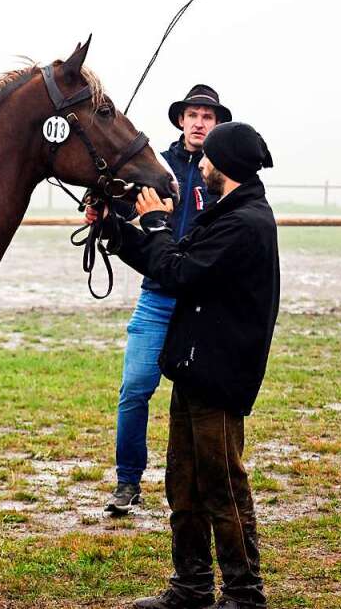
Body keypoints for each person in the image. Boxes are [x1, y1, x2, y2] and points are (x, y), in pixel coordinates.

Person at [94, 122, 278, 609]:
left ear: (227, 166)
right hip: (194, 368)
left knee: (223, 486)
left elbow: (178, 270)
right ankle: (191, 587)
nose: (200, 164)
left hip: (218, 375)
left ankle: (244, 595)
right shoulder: (226, 214)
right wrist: (114, 229)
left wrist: (154, 225)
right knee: (185, 483)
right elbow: (170, 264)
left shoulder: (245, 223)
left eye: (208, 159)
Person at [104, 85, 232, 516]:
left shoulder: (224, 173)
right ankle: (127, 481)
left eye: (208, 117)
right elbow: (126, 209)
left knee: (200, 399)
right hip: (157, 300)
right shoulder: (156, 166)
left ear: (217, 124)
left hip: (203, 306)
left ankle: (200, 481)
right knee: (135, 390)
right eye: (193, 115)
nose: (199, 123)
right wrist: (104, 211)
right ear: (181, 120)